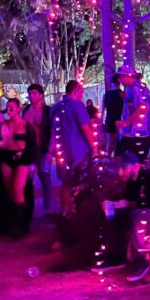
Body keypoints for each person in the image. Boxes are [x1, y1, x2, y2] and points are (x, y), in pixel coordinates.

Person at [0, 97, 34, 236]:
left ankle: (21, 227)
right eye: (8, 106)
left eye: (12, 106)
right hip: (6, 157)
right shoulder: (1, 126)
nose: (9, 109)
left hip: (22, 158)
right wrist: (0, 144)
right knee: (9, 191)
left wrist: (23, 152)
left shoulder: (26, 126)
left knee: (18, 188)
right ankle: (12, 223)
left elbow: (32, 144)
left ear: (18, 108)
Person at [51, 80, 95, 210]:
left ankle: (65, 211)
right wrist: (95, 147)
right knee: (80, 182)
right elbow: (86, 128)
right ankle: (76, 212)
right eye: (81, 91)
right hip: (79, 151)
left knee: (65, 183)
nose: (82, 94)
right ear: (75, 90)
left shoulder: (55, 107)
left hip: (61, 152)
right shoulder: (77, 106)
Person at [24, 83, 53, 214]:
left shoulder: (47, 111)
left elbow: (53, 131)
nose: (31, 96)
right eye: (30, 93)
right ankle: (27, 209)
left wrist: (50, 151)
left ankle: (48, 209)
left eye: (34, 93)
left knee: (45, 178)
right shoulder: (25, 111)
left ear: (41, 95)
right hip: (29, 150)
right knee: (26, 179)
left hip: (43, 148)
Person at [115, 66, 150, 163]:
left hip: (135, 134)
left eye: (120, 77)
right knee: (135, 163)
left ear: (128, 76)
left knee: (126, 162)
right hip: (140, 134)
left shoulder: (135, 89)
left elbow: (142, 108)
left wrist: (125, 123)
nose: (119, 80)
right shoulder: (140, 88)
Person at [101, 74, 124, 156]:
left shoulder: (106, 94)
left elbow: (102, 109)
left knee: (109, 141)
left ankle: (108, 159)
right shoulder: (122, 93)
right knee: (120, 140)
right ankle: (117, 158)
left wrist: (100, 122)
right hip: (119, 119)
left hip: (109, 119)